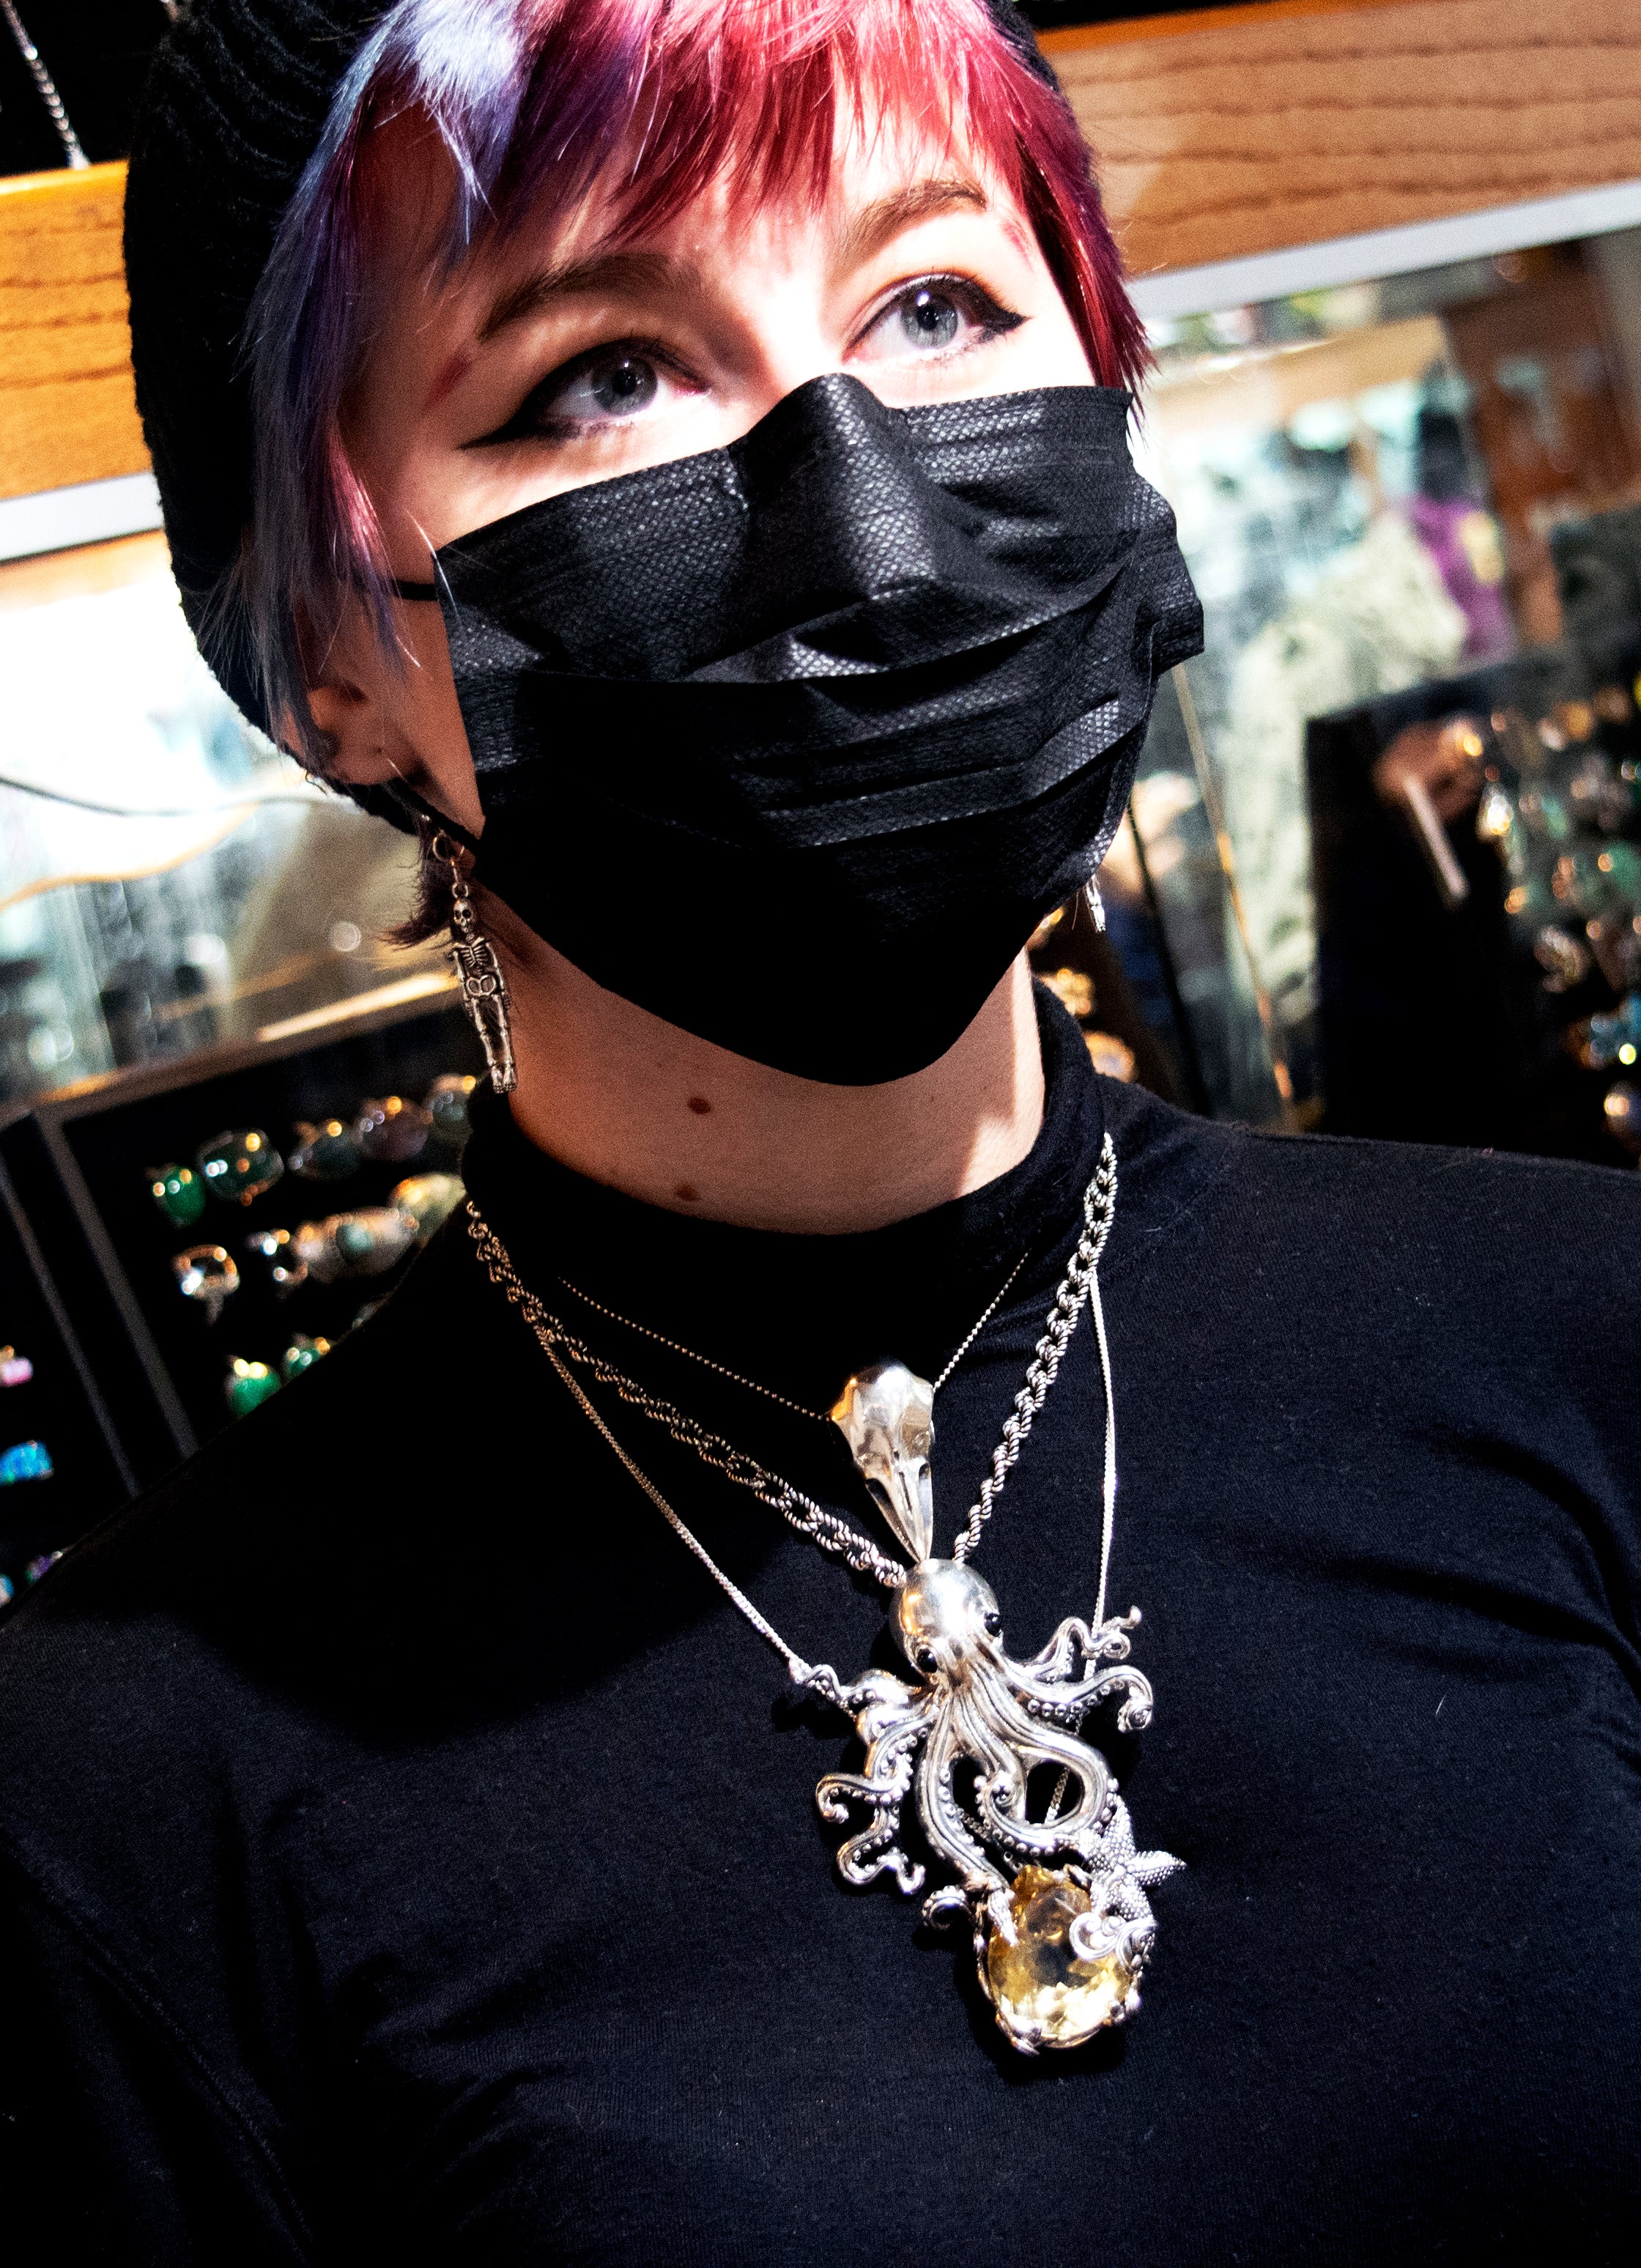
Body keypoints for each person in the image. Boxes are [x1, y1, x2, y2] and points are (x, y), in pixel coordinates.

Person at [1, 3, 1636, 2260]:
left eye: (941, 301)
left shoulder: (1579, 1343)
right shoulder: (128, 1781)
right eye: (603, 374)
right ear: (323, 660)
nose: (866, 522)